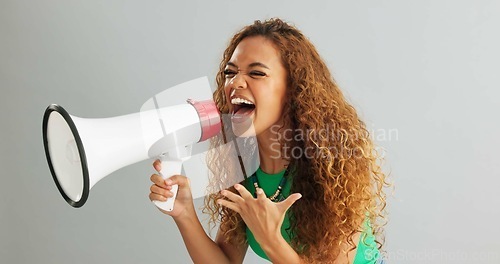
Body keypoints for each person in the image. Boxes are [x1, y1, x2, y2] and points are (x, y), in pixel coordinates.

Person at [149, 18, 388, 264]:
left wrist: (270, 239)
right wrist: (185, 213)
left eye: (256, 73)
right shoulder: (241, 165)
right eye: (230, 73)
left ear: (295, 89)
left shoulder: (334, 166)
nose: (235, 83)